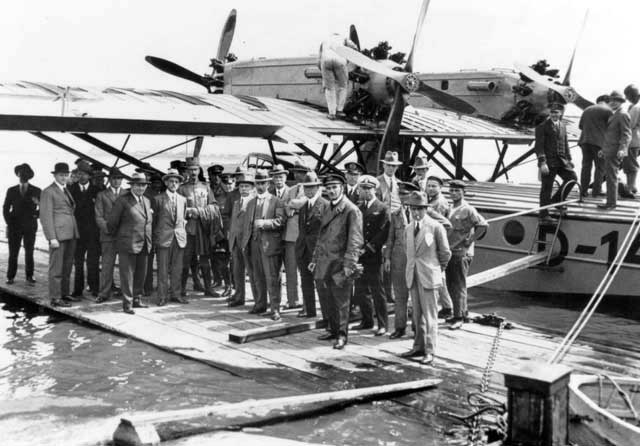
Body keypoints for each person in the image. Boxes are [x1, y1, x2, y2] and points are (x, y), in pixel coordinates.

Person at [310, 173, 363, 350]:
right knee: (328, 299)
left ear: (342, 188)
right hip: (325, 261)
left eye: (335, 187)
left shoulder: (351, 210)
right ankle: (332, 329)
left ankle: (342, 335)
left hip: (340, 263)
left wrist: (349, 265)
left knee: (342, 301)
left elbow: (355, 241)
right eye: (329, 188)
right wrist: (315, 259)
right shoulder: (328, 207)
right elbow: (321, 236)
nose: (331, 191)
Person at [399, 191, 451, 365]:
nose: (416, 213)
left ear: (426, 209)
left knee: (430, 316)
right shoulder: (408, 228)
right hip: (413, 276)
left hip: (429, 277)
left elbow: (445, 253)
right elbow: (409, 252)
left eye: (420, 209)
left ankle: (430, 350)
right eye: (413, 209)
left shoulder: (436, 227)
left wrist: (437, 269)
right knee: (417, 315)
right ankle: (418, 346)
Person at [107, 173, 153, 314]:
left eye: (143, 185)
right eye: (137, 185)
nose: (141, 187)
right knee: (127, 275)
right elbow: (112, 223)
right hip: (128, 243)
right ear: (131, 186)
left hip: (144, 242)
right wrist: (122, 237)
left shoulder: (146, 200)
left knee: (141, 273)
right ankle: (127, 303)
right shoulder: (122, 201)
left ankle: (137, 299)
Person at [445, 180, 488, 330]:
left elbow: (482, 225)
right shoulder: (451, 207)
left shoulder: (468, 209)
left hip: (461, 252)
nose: (453, 193)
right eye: (451, 190)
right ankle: (460, 312)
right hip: (451, 250)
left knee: (458, 285)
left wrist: (470, 240)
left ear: (464, 192)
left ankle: (459, 318)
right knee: (451, 284)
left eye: (457, 191)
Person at [352, 175, 390, 336]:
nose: (365, 191)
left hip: (373, 255)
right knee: (360, 289)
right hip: (359, 255)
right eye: (363, 188)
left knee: (377, 291)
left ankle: (383, 324)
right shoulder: (358, 207)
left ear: (375, 190)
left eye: (369, 189)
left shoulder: (382, 208)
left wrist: (367, 248)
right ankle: (366, 320)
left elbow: (383, 232)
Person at [178, 156, 220, 296]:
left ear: (199, 169)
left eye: (195, 169)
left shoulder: (206, 187)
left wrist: (201, 211)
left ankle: (208, 288)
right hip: (188, 230)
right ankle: (181, 289)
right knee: (185, 260)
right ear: (187, 171)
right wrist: (188, 212)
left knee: (204, 259)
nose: (193, 172)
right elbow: (176, 208)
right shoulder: (182, 189)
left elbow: (214, 207)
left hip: (203, 229)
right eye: (190, 170)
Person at [40, 162, 79, 307]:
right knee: (56, 267)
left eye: (65, 175)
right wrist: (52, 238)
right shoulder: (48, 191)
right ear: (55, 175)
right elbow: (45, 216)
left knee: (67, 266)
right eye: (61, 175)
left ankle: (64, 293)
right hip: (58, 235)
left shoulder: (65, 189)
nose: (64, 177)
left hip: (71, 233)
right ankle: (55, 298)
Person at [247, 170, 285, 321]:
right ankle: (260, 304)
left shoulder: (276, 201)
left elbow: (281, 221)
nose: (260, 186)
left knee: (273, 278)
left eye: (263, 183)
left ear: (268, 184)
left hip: (270, 245)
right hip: (254, 244)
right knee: (257, 277)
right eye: (258, 183)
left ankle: (275, 308)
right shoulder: (251, 202)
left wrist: (265, 223)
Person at [534, 103, 577, 222]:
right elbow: (539, 147)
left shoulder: (563, 126)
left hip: (561, 161)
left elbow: (565, 144)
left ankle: (557, 200)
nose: (554, 114)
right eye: (552, 112)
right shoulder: (542, 127)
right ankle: (543, 215)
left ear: (561, 113)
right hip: (549, 162)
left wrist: (569, 159)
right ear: (549, 113)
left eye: (556, 112)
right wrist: (542, 163)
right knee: (546, 188)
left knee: (572, 178)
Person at [296, 171, 329, 318]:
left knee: (320, 283)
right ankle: (310, 311)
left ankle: (326, 315)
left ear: (318, 188)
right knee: (305, 281)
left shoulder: (325, 205)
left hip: (318, 252)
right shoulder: (303, 206)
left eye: (312, 187)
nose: (309, 190)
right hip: (303, 250)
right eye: (306, 187)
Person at [152, 169, 188, 306]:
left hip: (179, 239)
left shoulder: (183, 200)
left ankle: (176, 294)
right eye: (171, 181)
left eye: (176, 182)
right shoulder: (158, 199)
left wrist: (181, 233)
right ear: (166, 182)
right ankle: (162, 296)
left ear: (179, 184)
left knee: (177, 269)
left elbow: (183, 219)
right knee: (162, 270)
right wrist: (157, 237)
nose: (173, 184)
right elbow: (154, 221)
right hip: (163, 239)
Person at [3, 163, 41, 285]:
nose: (22, 175)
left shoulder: (36, 190)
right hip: (15, 226)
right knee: (13, 253)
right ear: (17, 174)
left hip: (30, 226)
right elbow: (5, 208)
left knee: (29, 252)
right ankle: (10, 276)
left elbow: (43, 207)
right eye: (20, 172)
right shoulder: (11, 190)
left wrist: (36, 215)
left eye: (25, 172)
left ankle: (30, 276)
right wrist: (10, 222)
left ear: (29, 175)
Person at [68, 160, 101, 297]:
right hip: (77, 232)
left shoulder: (97, 191)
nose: (82, 177)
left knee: (93, 262)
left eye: (85, 174)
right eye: (80, 173)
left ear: (89, 176)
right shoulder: (70, 189)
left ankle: (94, 288)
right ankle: (77, 290)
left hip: (93, 233)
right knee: (78, 262)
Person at [94, 167, 126, 303]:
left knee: (126, 266)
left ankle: (126, 292)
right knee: (107, 266)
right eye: (114, 178)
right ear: (110, 179)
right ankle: (104, 293)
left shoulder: (127, 194)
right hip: (108, 236)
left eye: (119, 178)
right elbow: (98, 216)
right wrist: (108, 229)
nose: (117, 181)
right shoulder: (102, 195)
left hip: (125, 236)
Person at [426, 175, 454, 319]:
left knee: (438, 277)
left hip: (434, 243)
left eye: (434, 186)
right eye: (428, 185)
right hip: (432, 242)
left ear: (440, 188)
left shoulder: (440, 203)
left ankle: (446, 307)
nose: (430, 188)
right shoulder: (431, 200)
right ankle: (447, 306)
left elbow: (443, 225)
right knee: (439, 276)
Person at [599, 91, 632, 210]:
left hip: (615, 151)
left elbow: (627, 134)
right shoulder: (614, 114)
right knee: (610, 176)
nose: (612, 102)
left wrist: (623, 149)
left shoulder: (623, 114)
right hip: (609, 150)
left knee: (611, 177)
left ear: (621, 102)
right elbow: (609, 134)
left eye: (616, 100)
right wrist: (603, 149)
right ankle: (610, 201)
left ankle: (611, 204)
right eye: (611, 100)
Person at [227, 171, 256, 307]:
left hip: (247, 242)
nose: (243, 189)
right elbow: (234, 222)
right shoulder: (237, 202)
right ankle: (239, 296)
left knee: (252, 271)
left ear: (252, 188)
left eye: (246, 186)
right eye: (241, 186)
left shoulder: (254, 202)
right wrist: (231, 238)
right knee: (237, 271)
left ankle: (258, 300)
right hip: (235, 241)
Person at [578, 94, 612, 197]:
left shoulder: (587, 109)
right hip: (599, 144)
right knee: (600, 167)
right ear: (607, 101)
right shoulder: (608, 110)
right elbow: (612, 128)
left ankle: (583, 191)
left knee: (586, 166)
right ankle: (596, 191)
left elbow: (580, 126)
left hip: (584, 142)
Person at [318, 32, 357, 119]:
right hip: (340, 61)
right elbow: (354, 48)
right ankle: (339, 110)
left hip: (325, 61)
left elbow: (319, 59)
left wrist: (323, 71)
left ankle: (332, 113)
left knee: (329, 88)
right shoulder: (344, 38)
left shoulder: (325, 40)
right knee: (343, 86)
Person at [623, 84, 640, 195]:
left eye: (628, 96)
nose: (627, 99)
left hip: (631, 140)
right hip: (636, 139)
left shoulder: (635, 108)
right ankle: (632, 186)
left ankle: (630, 187)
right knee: (631, 163)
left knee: (630, 165)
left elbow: (629, 125)